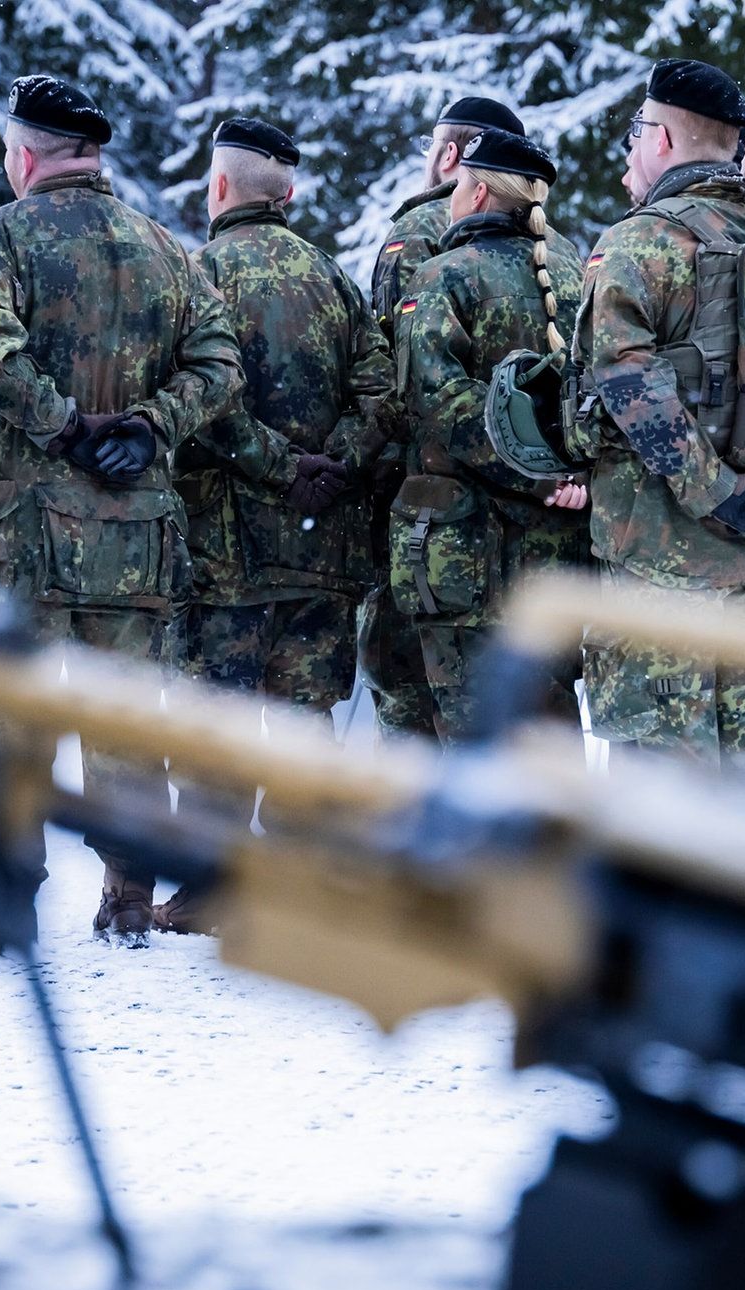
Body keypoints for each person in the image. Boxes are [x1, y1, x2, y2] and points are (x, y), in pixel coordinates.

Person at [0, 75, 243, 948]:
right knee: (127, 716)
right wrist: (151, 427)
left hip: (20, 528)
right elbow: (218, 362)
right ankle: (130, 897)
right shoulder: (167, 249)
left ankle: (5, 901)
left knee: (11, 717)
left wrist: (61, 424)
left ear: (26, 155)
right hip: (134, 533)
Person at [549, 60, 745, 767]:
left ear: (661, 139)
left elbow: (620, 381)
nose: (632, 150)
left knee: (662, 797)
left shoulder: (639, 243)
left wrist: (717, 495)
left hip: (661, 571)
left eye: (637, 133)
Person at [162, 117, 393, 933]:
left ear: (217, 187)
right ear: (287, 194)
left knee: (218, 719)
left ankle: (212, 887)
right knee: (304, 716)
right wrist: (330, 463)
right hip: (321, 544)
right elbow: (381, 396)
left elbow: (196, 401)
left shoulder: (194, 275)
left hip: (225, 552)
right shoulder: (334, 279)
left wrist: (276, 464)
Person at [390, 127, 589, 744]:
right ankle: (558, 843)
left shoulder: (443, 277)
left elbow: (441, 403)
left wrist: (534, 472)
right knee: (549, 726)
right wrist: (569, 475)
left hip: (465, 550)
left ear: (475, 194)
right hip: (557, 548)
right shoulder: (577, 273)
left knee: (475, 735)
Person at [360, 95, 534, 740]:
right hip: (542, 524)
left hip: (440, 514)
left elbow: (397, 382)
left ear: (455, 158)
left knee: (415, 688)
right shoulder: (561, 252)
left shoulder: (423, 241)